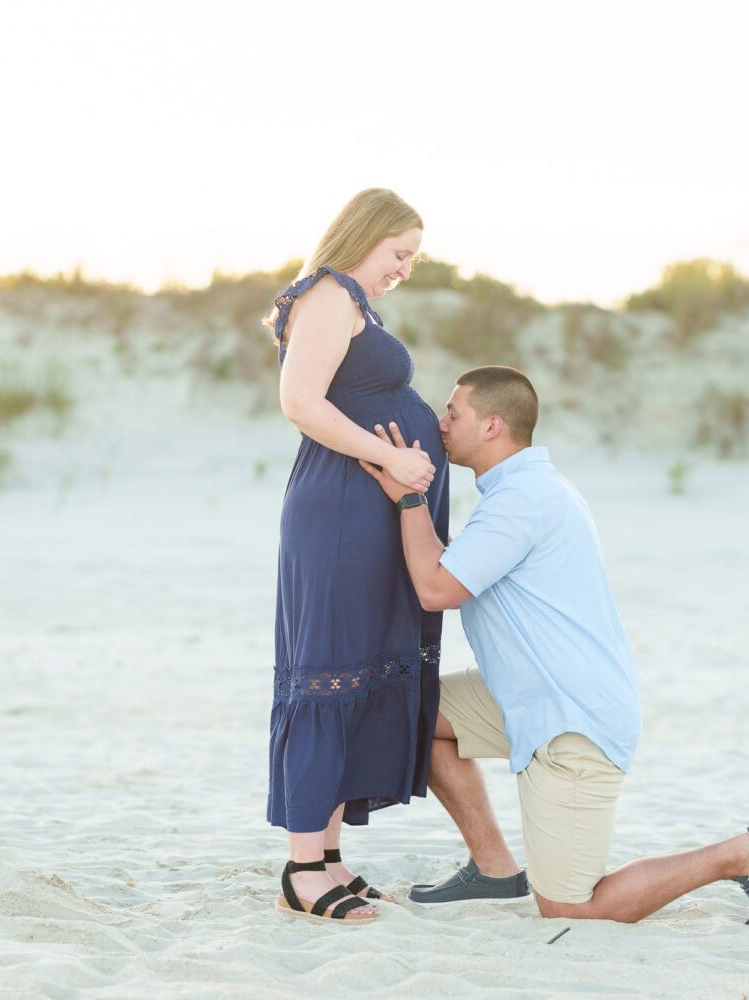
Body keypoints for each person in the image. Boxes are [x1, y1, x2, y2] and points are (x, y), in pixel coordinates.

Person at [358, 365, 749, 926]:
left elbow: (437, 588)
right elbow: (451, 568)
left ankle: (739, 854)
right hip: (527, 693)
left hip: (571, 718)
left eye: (452, 413)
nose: (441, 424)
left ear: (492, 426)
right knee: (418, 711)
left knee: (570, 907)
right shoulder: (522, 490)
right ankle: (493, 869)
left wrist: (409, 501)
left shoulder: (523, 500)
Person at [264, 189, 450, 923]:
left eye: (414, 258)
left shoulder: (356, 306)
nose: (405, 267)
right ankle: (302, 868)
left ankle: (330, 856)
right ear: (364, 236)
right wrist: (392, 459)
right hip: (340, 508)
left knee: (361, 671)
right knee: (329, 672)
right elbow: (300, 401)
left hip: (366, 507)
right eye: (399, 252)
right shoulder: (329, 295)